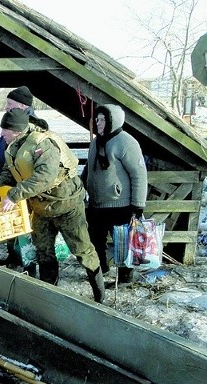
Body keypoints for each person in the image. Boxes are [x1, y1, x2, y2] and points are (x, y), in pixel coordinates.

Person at [0, 109, 105, 303]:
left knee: (82, 249)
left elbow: (44, 177)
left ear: (16, 131)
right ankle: (48, 293)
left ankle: (99, 293)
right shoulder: (14, 146)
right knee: (43, 249)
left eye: (5, 130)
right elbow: (10, 170)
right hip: (41, 207)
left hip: (66, 204)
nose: (2, 134)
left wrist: (14, 195)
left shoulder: (43, 145)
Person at [81, 104, 147, 285]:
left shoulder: (126, 142)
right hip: (96, 203)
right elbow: (89, 167)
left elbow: (139, 173)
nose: (98, 123)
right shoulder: (96, 142)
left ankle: (125, 277)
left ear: (112, 120)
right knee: (95, 240)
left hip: (120, 204)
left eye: (102, 119)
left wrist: (138, 204)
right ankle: (101, 270)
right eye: (97, 119)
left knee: (123, 243)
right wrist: (81, 184)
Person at [0, 86, 48, 269]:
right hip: (10, 182)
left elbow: (39, 167)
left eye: (10, 103)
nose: (6, 107)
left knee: (27, 229)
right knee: (11, 225)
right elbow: (6, 158)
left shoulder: (35, 130)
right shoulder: (9, 123)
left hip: (27, 188)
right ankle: (14, 259)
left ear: (23, 106)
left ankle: (30, 265)